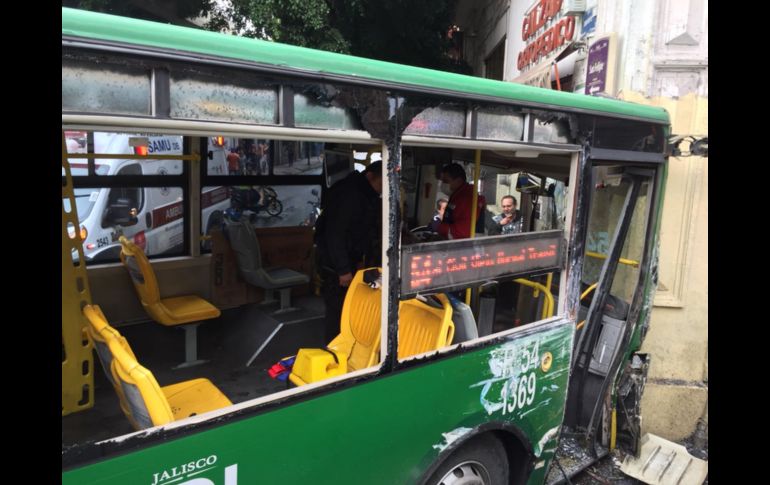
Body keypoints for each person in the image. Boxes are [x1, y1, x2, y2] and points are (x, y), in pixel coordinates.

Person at [315, 161, 383, 342]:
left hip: (348, 258)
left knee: (348, 306)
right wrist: (343, 269)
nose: (382, 189)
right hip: (335, 264)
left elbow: (359, 233)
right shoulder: (350, 195)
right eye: (381, 183)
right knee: (338, 310)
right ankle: (334, 349)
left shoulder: (363, 194)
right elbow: (335, 234)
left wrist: (359, 259)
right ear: (369, 176)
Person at [436, 163, 486, 239]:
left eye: (446, 181)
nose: (442, 184)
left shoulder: (467, 199)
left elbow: (462, 232)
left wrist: (440, 227)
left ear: (459, 181)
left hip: (466, 247)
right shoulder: (457, 196)